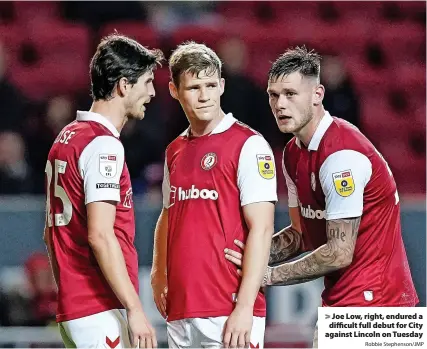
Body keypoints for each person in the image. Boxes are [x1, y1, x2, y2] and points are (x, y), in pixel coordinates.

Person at [224, 46, 418, 347]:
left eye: (290, 94)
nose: (280, 105)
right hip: (345, 305)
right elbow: (302, 234)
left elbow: (340, 251)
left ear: (317, 94)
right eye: (273, 95)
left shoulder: (341, 155)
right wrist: (253, 255)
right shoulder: (292, 154)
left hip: (379, 309)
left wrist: (266, 275)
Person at [150, 42, 277, 349]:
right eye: (194, 87)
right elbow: (168, 214)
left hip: (228, 308)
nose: (204, 95)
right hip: (181, 308)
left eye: (210, 84)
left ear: (222, 85)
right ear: (174, 90)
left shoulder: (249, 145)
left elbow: (262, 228)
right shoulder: (174, 151)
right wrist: (158, 273)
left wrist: (245, 306)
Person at [43, 34, 163, 348]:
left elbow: (49, 232)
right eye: (147, 82)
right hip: (98, 306)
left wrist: (70, 295)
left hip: (76, 308)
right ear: (124, 85)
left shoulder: (66, 137)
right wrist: (136, 309)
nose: (151, 92)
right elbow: (100, 234)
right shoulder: (104, 146)